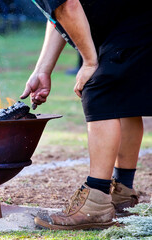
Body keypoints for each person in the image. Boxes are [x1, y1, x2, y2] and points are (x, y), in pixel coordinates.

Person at [20, 0, 152, 230]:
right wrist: (42, 70)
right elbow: (60, 14)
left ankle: (96, 203)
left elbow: (68, 6)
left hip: (139, 18)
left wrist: (90, 62)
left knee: (99, 88)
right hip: (131, 17)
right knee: (125, 95)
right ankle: (122, 194)